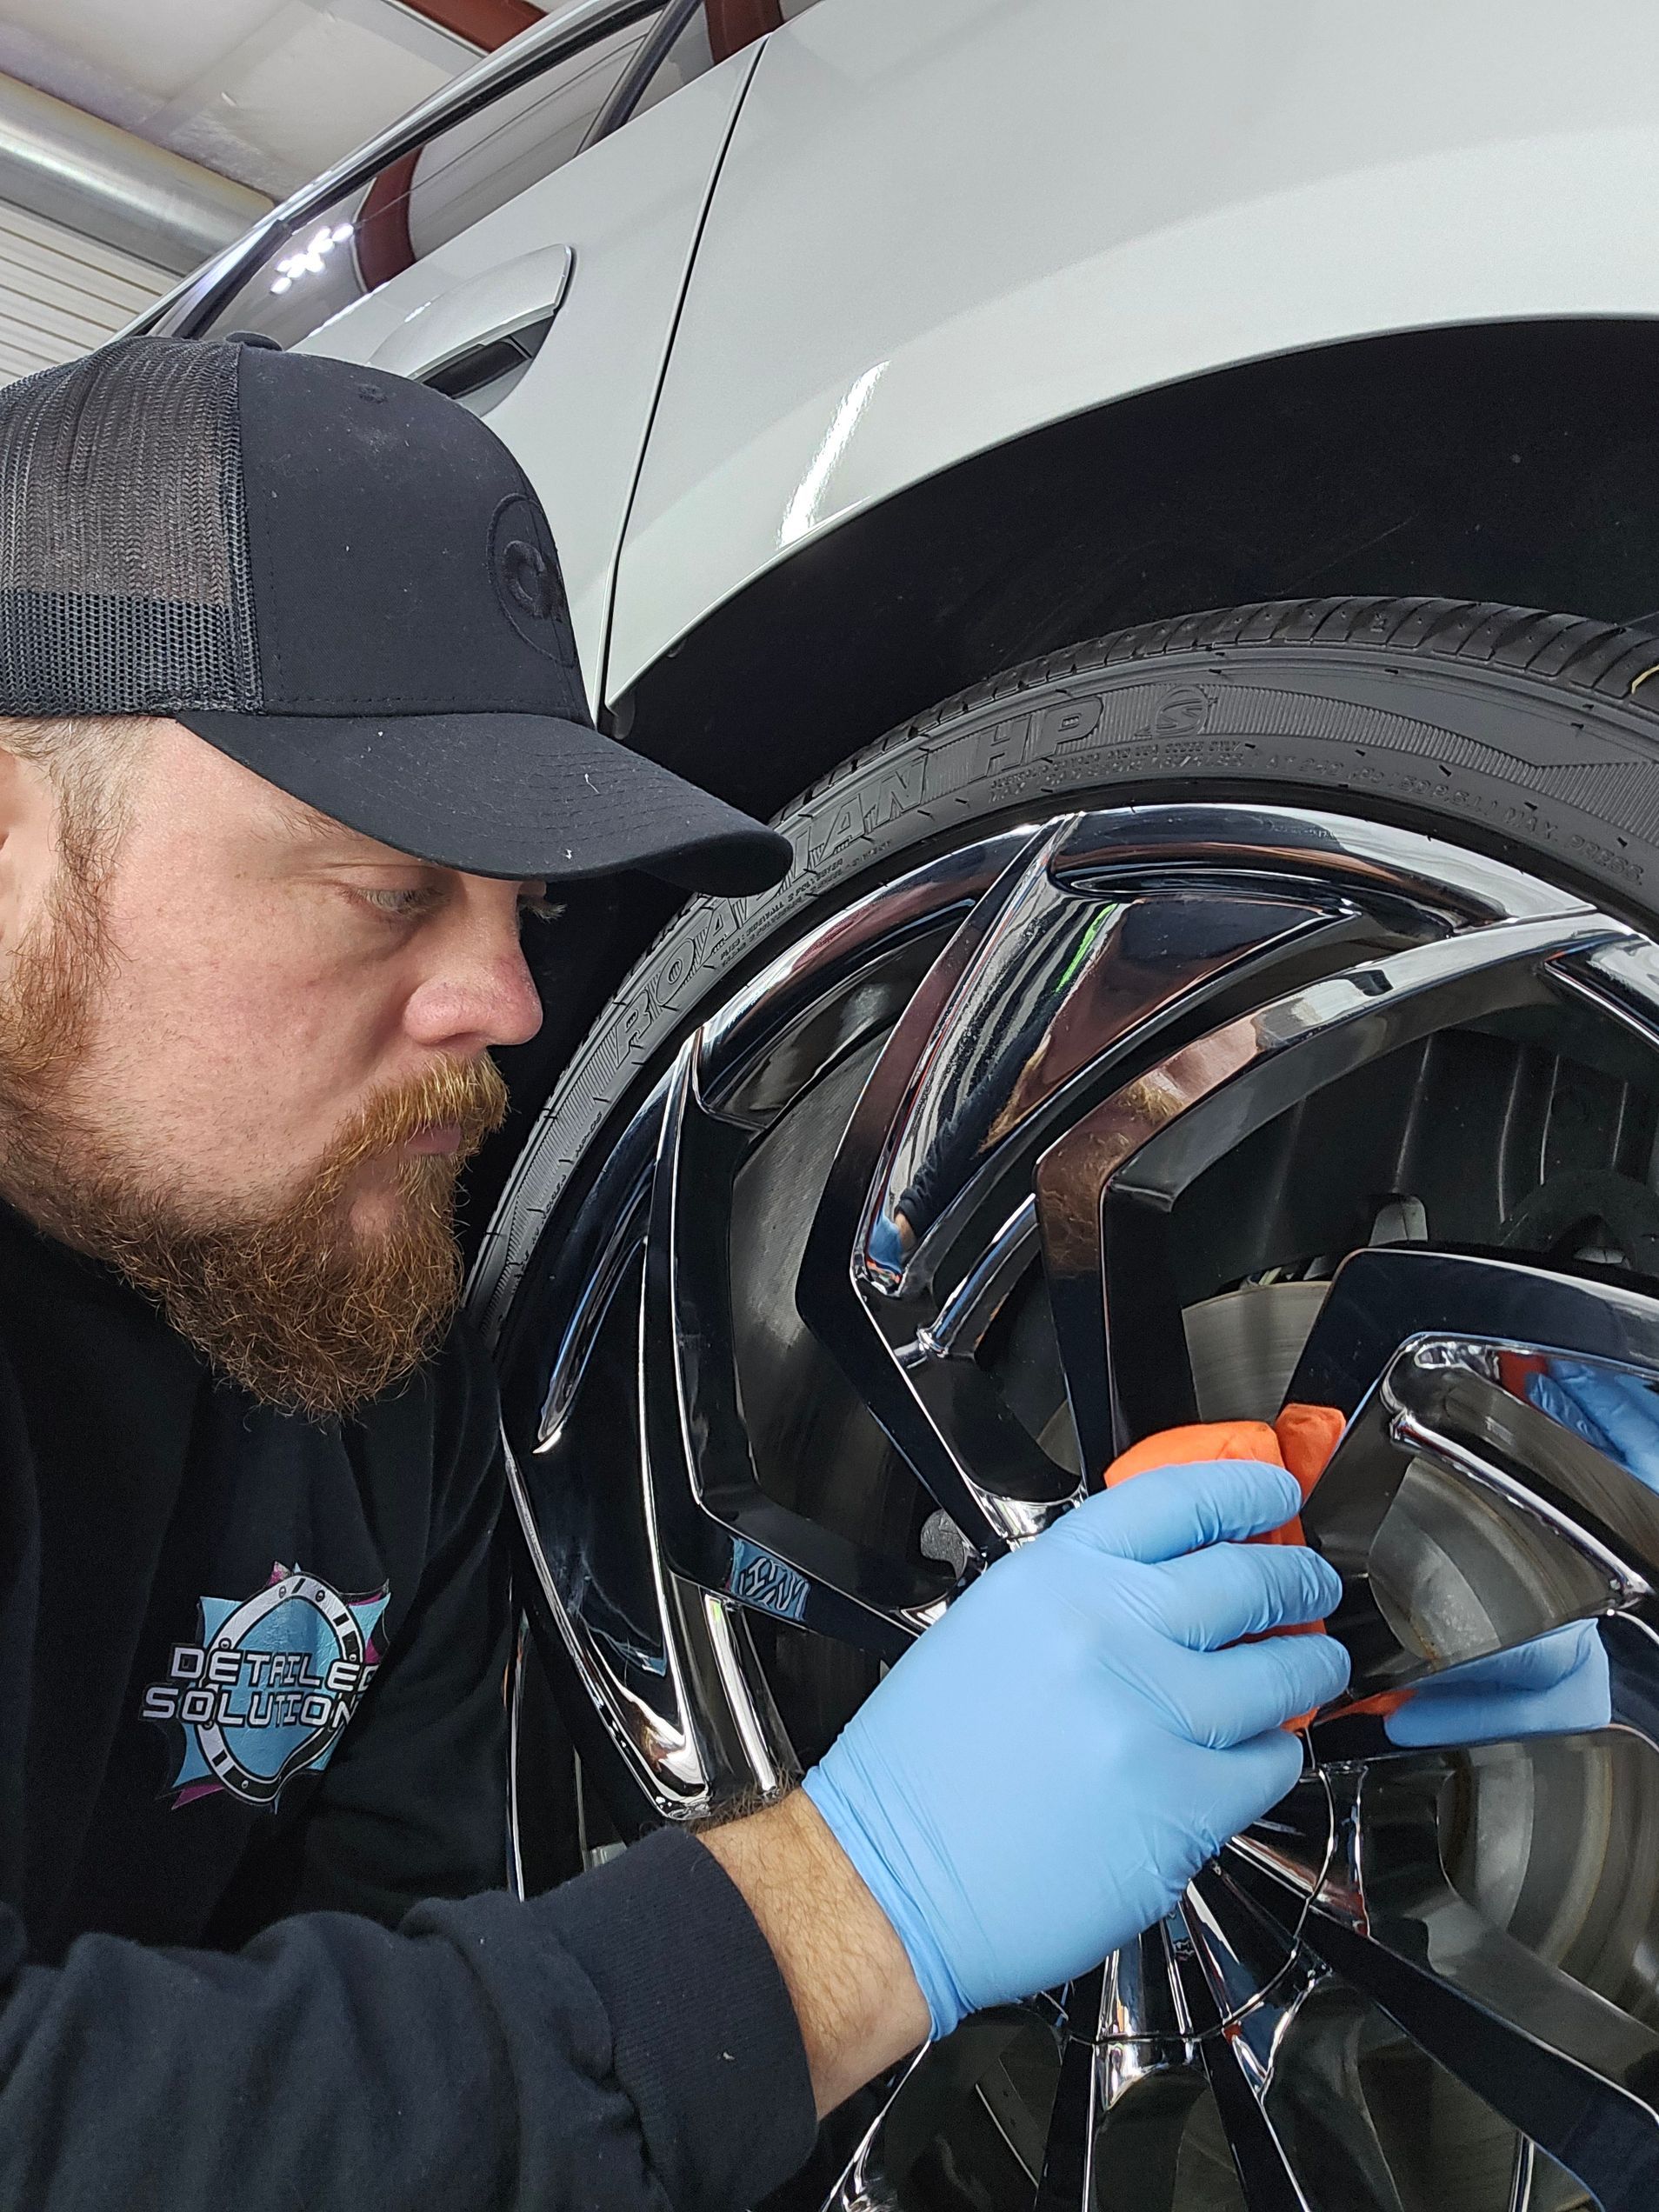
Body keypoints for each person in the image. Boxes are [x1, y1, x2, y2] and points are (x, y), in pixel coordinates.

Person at [0, 334, 1615, 2212]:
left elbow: (449, 1968)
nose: (512, 1008)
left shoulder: (347, 1336)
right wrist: (861, 1906)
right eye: (388, 890)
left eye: (529, 909)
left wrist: (1076, 1251)